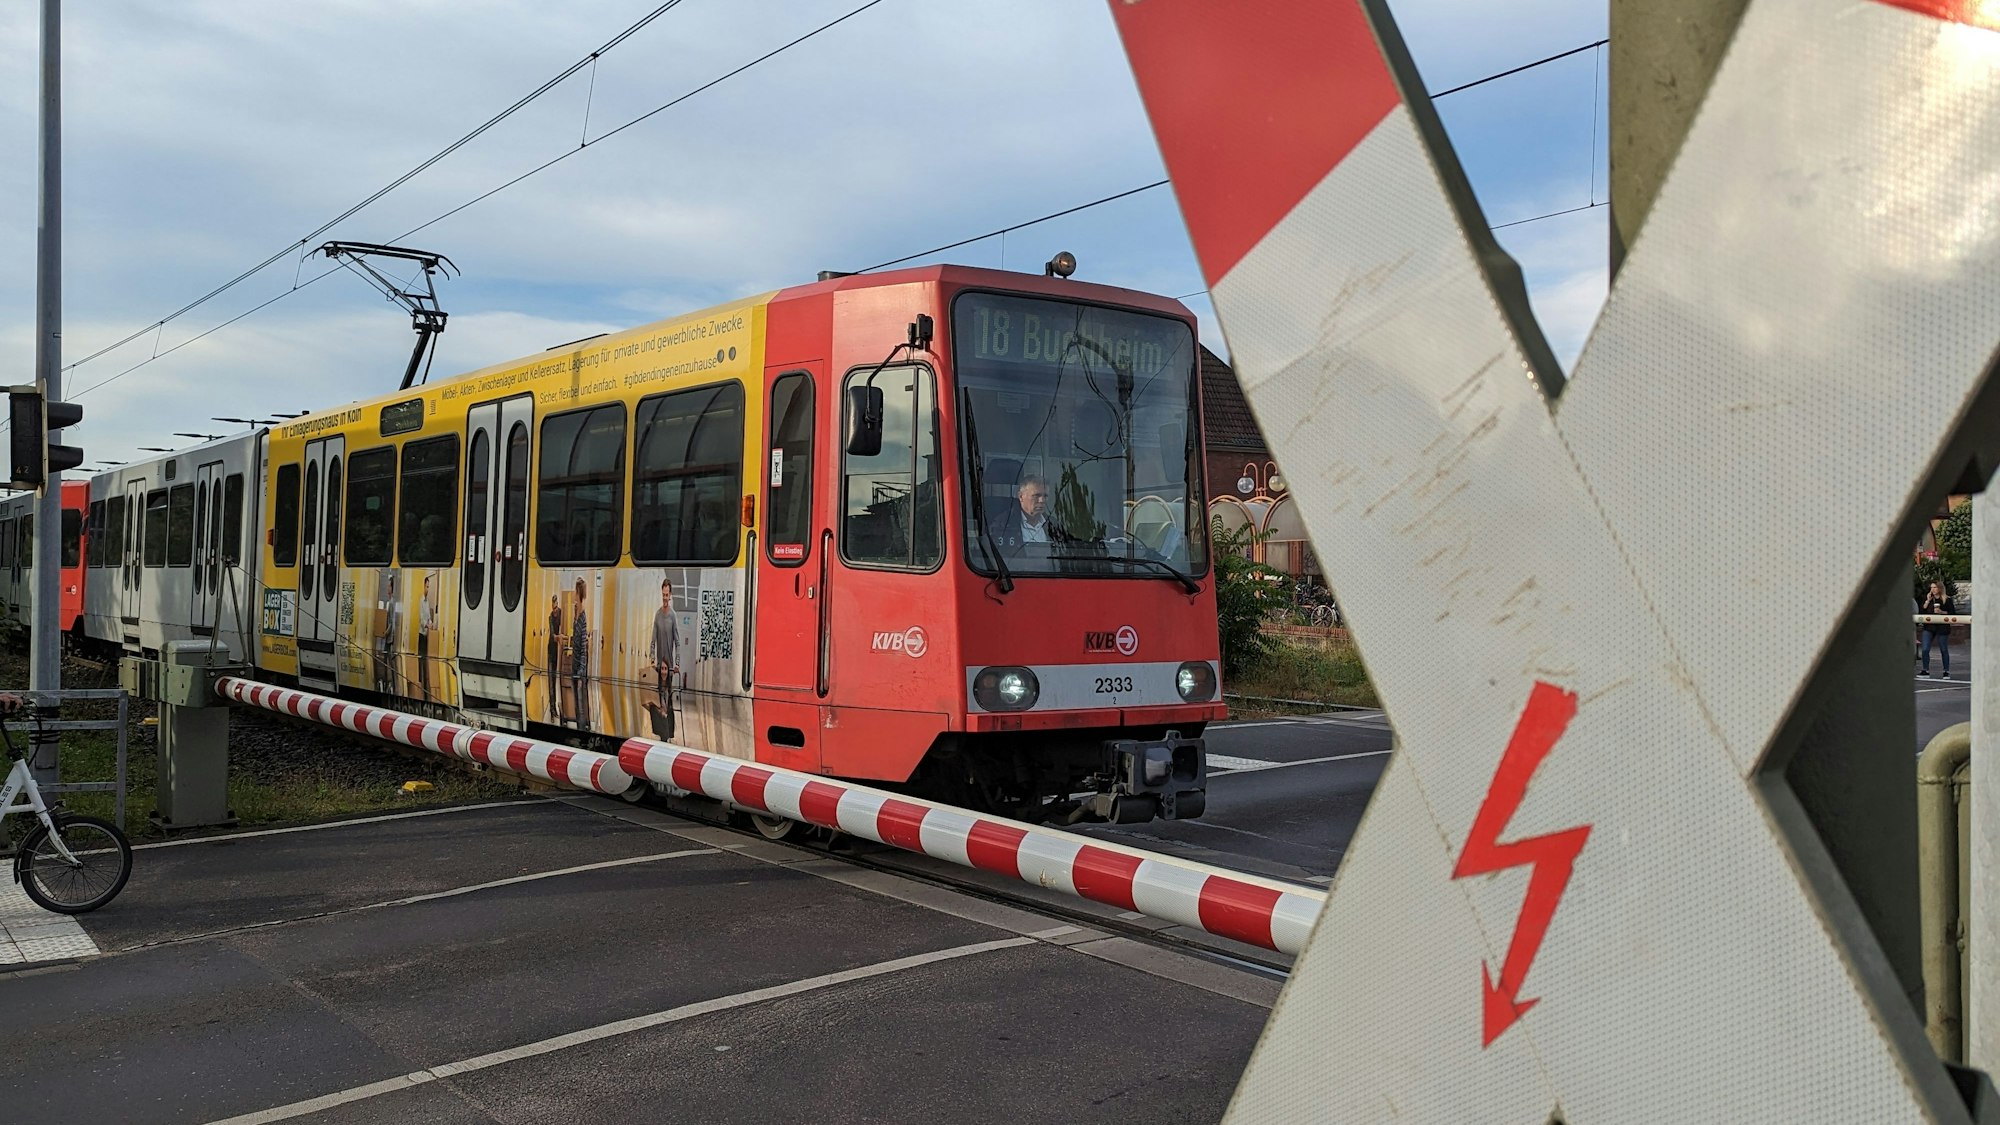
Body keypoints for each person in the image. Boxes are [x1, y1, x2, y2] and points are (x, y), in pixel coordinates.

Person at [646, 577, 679, 740]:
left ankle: (669, 733)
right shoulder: (658, 615)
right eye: (663, 595)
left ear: (670, 595)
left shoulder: (673, 616)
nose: (665, 598)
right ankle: (661, 734)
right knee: (659, 700)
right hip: (660, 667)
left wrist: (677, 663)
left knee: (669, 701)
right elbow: (653, 640)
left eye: (667, 595)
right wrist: (652, 658)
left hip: (670, 667)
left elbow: (678, 642)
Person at [1920, 580, 1955, 679]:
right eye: (1931, 587)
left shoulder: (1947, 599)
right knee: (1925, 648)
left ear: (1940, 588)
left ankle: (1946, 671)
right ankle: (1925, 670)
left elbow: (1953, 613)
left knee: (1943, 649)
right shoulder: (1929, 599)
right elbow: (1922, 611)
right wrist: (1927, 601)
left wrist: (1942, 612)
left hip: (1942, 627)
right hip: (1929, 626)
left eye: (1935, 587)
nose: (1933, 589)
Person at [571, 578, 592, 732]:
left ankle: (581, 729)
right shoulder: (575, 612)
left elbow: (583, 647)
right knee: (575, 703)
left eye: (575, 590)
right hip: (574, 663)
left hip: (580, 666)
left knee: (580, 701)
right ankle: (578, 726)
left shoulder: (583, 615)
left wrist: (580, 672)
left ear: (578, 592)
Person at [417, 574, 436, 703]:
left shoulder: (427, 601)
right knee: (421, 660)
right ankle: (421, 686)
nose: (428, 589)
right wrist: (427, 624)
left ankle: (425, 686)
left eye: (429, 587)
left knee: (426, 661)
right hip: (421, 634)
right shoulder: (421, 601)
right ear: (424, 586)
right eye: (427, 586)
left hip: (426, 634)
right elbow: (421, 618)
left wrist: (431, 623)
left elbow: (428, 616)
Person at [546, 594, 563, 719]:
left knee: (558, 680)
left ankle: (557, 709)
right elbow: (552, 635)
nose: (555, 610)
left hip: (560, 650)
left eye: (556, 607)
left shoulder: (563, 614)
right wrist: (559, 637)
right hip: (552, 650)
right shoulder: (551, 617)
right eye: (553, 608)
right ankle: (552, 710)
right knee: (551, 680)